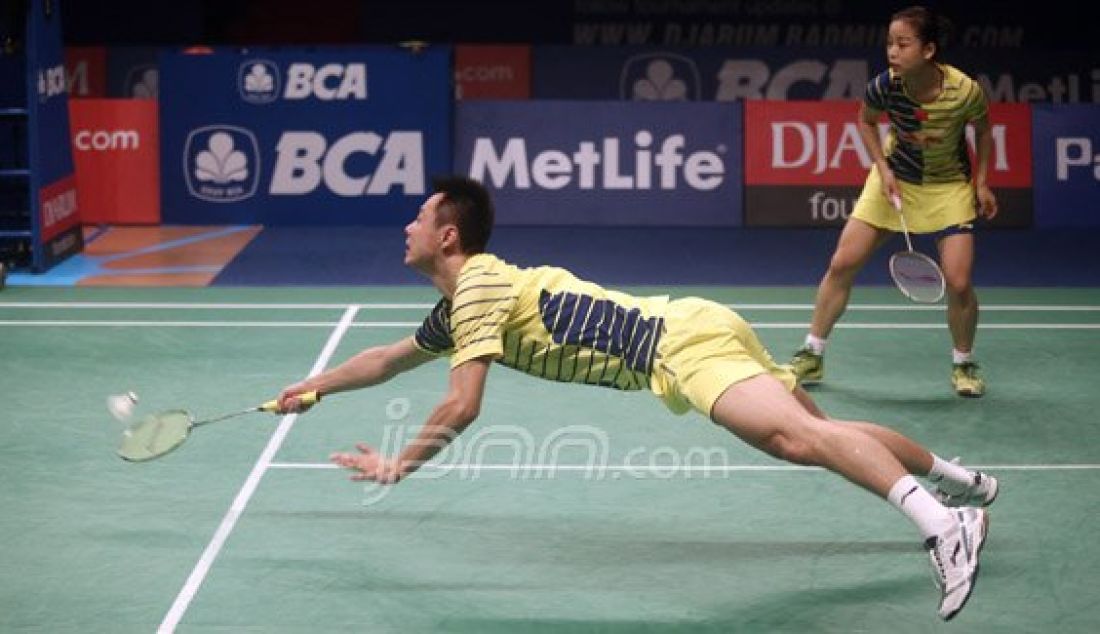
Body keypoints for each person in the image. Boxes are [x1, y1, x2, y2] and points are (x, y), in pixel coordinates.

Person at [279, 176, 997, 620]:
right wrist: (311, 388)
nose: (404, 227)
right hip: (692, 322)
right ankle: (962, 485)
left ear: (446, 235)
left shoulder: (478, 288)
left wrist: (399, 465)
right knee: (824, 433)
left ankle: (941, 529)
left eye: (417, 217)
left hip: (681, 347)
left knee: (795, 440)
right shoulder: (464, 304)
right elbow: (387, 360)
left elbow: (462, 405)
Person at [789, 6, 998, 398]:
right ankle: (812, 352)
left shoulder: (965, 90)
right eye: (890, 43)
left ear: (929, 49)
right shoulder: (885, 86)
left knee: (959, 280)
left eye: (903, 43)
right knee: (843, 262)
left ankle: (964, 363)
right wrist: (882, 169)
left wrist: (983, 182)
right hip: (895, 180)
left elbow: (984, 131)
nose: (893, 51)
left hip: (948, 186)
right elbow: (866, 120)